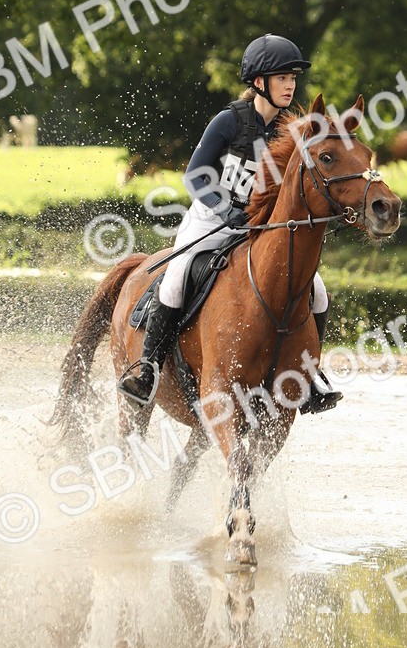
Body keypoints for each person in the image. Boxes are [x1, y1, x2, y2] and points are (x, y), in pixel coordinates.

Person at [118, 33, 341, 414]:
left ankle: (309, 374)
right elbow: (195, 175)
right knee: (175, 279)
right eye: (282, 77)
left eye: (292, 78)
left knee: (317, 291)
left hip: (259, 229)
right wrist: (225, 210)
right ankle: (148, 369)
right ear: (259, 82)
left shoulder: (290, 131)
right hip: (210, 221)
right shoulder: (229, 121)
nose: (290, 85)